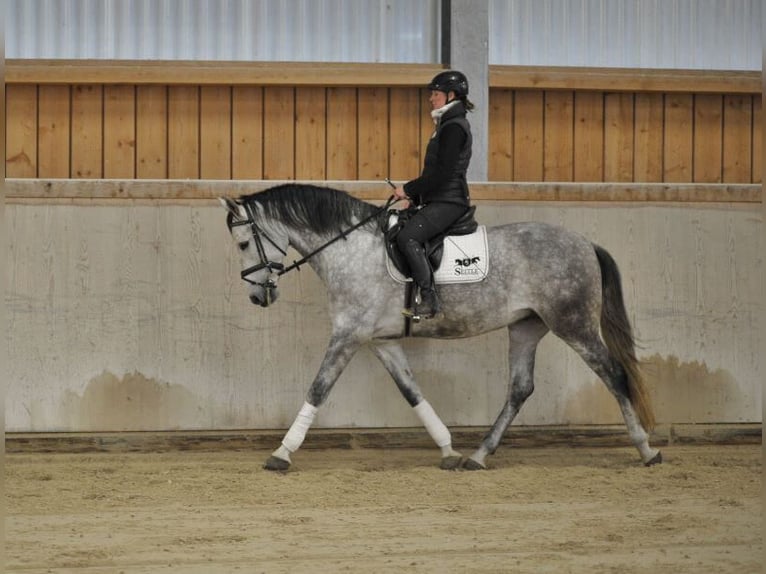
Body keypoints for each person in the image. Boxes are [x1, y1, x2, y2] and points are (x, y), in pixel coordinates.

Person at [394, 70, 474, 319]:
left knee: (408, 237)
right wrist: (415, 199)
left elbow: (442, 174)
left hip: (450, 201)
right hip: (441, 198)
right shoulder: (447, 124)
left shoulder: (454, 128)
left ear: (451, 95)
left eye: (435, 94)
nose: (431, 98)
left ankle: (429, 300)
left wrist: (408, 189)